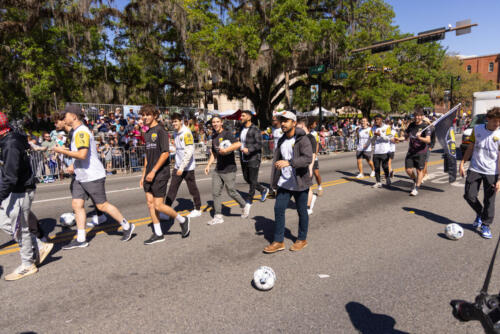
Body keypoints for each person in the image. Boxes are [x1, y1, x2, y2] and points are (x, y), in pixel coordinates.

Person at [53, 105, 135, 249]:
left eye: (66, 115)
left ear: (74, 116)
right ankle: (81, 238)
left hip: (92, 175)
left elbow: (82, 154)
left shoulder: (81, 132)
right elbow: (80, 155)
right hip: (80, 175)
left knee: (102, 205)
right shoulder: (76, 132)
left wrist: (62, 151)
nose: (64, 119)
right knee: (77, 205)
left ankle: (127, 225)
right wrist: (73, 163)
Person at [0, 112, 52, 281]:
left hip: (20, 190)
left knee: (19, 228)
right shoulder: (10, 137)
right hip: (15, 189)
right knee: (4, 221)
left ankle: (27, 264)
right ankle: (38, 245)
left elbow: (11, 176)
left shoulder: (10, 144)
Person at [138, 105, 190, 245]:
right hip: (149, 173)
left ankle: (182, 220)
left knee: (159, 205)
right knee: (150, 204)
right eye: (143, 115)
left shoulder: (160, 131)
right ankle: (158, 234)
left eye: (148, 114)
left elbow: (165, 153)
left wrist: (154, 171)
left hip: (160, 173)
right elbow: (147, 156)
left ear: (154, 115)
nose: (145, 117)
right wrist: (144, 175)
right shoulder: (147, 133)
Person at [264, 110, 313, 253]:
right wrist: (274, 181)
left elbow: (307, 158)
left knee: (301, 211)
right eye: (282, 121)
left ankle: (302, 239)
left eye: (286, 121)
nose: (283, 123)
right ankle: (279, 241)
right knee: (278, 209)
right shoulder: (282, 140)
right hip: (284, 182)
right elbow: (277, 161)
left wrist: (290, 163)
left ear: (294, 123)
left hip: (300, 182)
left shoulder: (303, 139)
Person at [459, 107, 500, 239]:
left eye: (499, 122)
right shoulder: (477, 130)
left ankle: (485, 225)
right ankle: (481, 214)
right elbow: (470, 147)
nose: (497, 124)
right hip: (475, 168)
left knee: (489, 200)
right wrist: (462, 162)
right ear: (487, 119)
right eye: (495, 121)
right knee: (469, 195)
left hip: (492, 172)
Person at [204, 115, 251, 225]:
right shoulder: (214, 136)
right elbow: (214, 154)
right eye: (213, 122)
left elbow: (238, 144)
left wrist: (226, 150)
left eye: (217, 122)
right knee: (215, 193)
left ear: (221, 123)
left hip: (229, 169)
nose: (215, 124)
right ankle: (218, 216)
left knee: (231, 191)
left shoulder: (227, 134)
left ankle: (244, 205)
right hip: (218, 169)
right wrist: (208, 165)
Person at [164, 112, 202, 219]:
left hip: (187, 167)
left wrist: (182, 167)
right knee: (172, 188)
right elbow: (179, 148)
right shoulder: (176, 133)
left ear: (181, 121)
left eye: (176, 121)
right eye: (173, 122)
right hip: (178, 165)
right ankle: (167, 210)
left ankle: (198, 209)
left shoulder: (187, 133)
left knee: (192, 189)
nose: (174, 123)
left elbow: (189, 151)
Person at [397, 109, 431, 196]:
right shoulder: (411, 125)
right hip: (411, 151)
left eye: (419, 116)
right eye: (416, 115)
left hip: (421, 152)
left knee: (419, 171)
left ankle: (416, 188)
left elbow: (428, 140)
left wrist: (420, 138)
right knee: (408, 170)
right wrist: (398, 139)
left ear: (422, 117)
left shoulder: (425, 127)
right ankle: (416, 180)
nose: (417, 117)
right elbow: (405, 136)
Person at [239, 110, 269, 204]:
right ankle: (263, 190)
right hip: (244, 157)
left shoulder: (255, 129)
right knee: (246, 178)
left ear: (249, 117)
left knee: (252, 179)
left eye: (243, 116)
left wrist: (249, 149)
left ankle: (250, 198)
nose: (241, 117)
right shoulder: (241, 128)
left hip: (254, 157)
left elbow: (259, 144)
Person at [296, 117, 317, 215]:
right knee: (301, 186)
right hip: (299, 164)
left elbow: (313, 154)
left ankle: (308, 207)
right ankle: (307, 201)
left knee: (308, 187)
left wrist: (310, 167)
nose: (296, 128)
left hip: (308, 165)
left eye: (298, 126)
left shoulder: (310, 138)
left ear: (303, 125)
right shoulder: (298, 136)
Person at [370, 114, 392, 189]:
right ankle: (378, 182)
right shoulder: (373, 128)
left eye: (378, 119)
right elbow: (371, 140)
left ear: (381, 120)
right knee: (376, 167)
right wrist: (375, 135)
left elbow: (388, 138)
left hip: (385, 151)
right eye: (375, 120)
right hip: (376, 151)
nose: (376, 121)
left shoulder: (387, 127)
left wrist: (380, 134)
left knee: (385, 166)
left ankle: (387, 178)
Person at [268, 116, 283, 198]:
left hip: (283, 152)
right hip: (276, 153)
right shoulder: (272, 129)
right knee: (275, 171)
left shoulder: (283, 128)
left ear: (278, 121)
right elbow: (264, 132)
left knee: (282, 171)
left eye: (274, 120)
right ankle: (274, 189)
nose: (272, 121)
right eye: (272, 120)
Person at [309, 119, 323, 196]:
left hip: (313, 156)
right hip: (306, 157)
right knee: (308, 176)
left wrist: (315, 153)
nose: (315, 125)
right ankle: (309, 191)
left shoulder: (315, 133)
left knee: (316, 174)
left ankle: (320, 187)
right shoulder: (304, 132)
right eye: (314, 123)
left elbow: (317, 144)